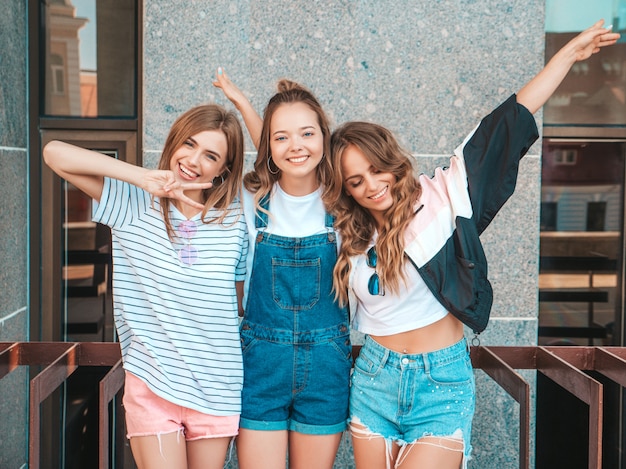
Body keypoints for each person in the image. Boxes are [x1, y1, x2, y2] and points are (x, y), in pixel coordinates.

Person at [324, 20, 620, 469]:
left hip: (440, 382)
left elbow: (505, 125)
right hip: (373, 381)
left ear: (391, 161)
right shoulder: (347, 233)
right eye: (355, 181)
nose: (371, 186)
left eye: (375, 169)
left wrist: (567, 55)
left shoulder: (442, 197)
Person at [43, 103, 248, 469]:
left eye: (211, 155)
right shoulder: (133, 203)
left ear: (223, 169)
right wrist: (141, 177)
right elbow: (53, 153)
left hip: (218, 387)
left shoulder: (234, 220)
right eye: (189, 143)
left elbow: (236, 302)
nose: (193, 159)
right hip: (153, 385)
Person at [213, 72, 352, 469]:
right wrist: (240, 103)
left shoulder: (345, 203)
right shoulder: (252, 198)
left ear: (324, 138)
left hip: (326, 367)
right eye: (281, 137)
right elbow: (279, 153)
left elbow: (290, 148)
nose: (296, 146)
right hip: (261, 365)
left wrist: (244, 102)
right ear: (268, 146)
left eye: (308, 134)